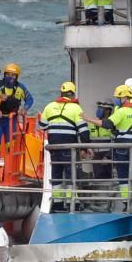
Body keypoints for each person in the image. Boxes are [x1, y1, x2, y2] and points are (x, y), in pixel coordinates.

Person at [84, 85, 132, 213]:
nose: (116, 99)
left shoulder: (121, 111)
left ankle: (127, 205)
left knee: (123, 177)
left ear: (124, 97)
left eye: (118, 97)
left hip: (122, 149)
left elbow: (107, 124)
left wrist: (87, 118)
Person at [38, 81, 91, 211]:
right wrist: (85, 147)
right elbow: (83, 131)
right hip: (70, 148)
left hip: (54, 148)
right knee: (71, 175)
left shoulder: (49, 106)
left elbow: (42, 126)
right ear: (72, 94)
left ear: (61, 93)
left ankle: (57, 203)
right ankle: (74, 203)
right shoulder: (76, 108)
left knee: (56, 175)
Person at [0, 63, 34, 149]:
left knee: (10, 144)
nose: (10, 77)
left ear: (17, 77)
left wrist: (25, 108)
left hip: (12, 119)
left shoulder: (20, 88)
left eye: (13, 75)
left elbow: (30, 99)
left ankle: (10, 161)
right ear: (4, 75)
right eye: (8, 74)